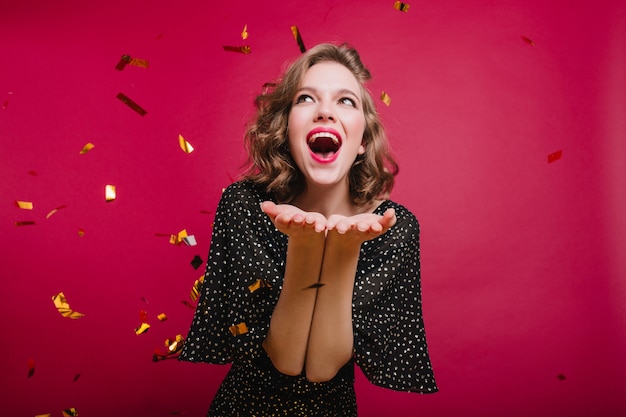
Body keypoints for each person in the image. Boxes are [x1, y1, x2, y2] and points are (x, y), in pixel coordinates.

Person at [179, 42, 438, 416]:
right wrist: (304, 245)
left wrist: (345, 248)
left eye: (345, 101)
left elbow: (321, 368)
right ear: (286, 128)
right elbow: (285, 360)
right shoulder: (247, 206)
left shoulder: (392, 228)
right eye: (306, 99)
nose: (325, 112)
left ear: (363, 140)